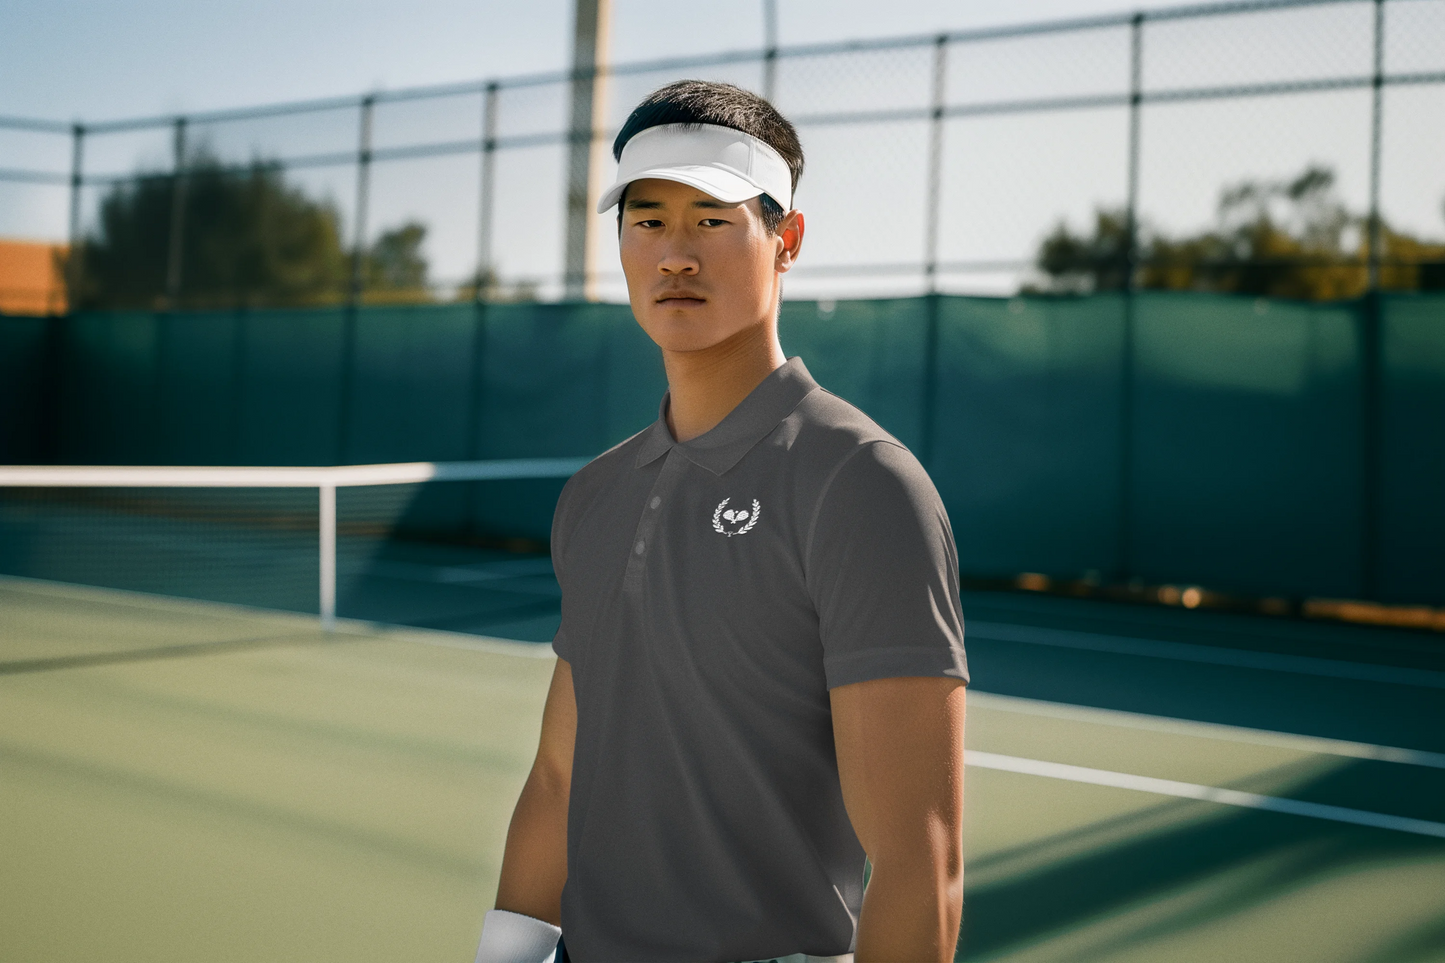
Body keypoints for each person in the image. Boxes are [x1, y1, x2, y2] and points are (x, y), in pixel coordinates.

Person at [473, 80, 967, 963]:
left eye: (711, 218)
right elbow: (556, 780)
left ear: (787, 242)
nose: (673, 255)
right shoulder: (593, 493)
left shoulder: (862, 482)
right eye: (647, 219)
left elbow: (917, 857)